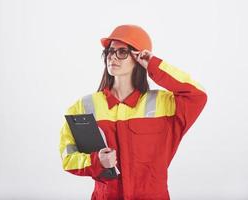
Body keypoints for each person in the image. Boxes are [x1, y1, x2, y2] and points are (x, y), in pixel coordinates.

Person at [59, 24, 207, 200]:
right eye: (109, 51)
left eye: (122, 52)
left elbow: (197, 95)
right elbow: (68, 158)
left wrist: (152, 64)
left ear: (138, 57)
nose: (112, 57)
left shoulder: (165, 104)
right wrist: (96, 161)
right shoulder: (83, 106)